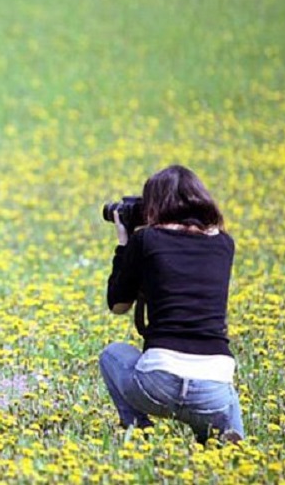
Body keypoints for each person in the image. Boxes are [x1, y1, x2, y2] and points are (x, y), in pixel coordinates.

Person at [98, 165, 245, 444]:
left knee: (111, 355)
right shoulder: (225, 243)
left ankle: (138, 432)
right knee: (223, 394)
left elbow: (118, 305)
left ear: (155, 204)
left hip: (157, 384)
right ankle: (227, 438)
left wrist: (124, 244)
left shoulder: (145, 240)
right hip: (212, 388)